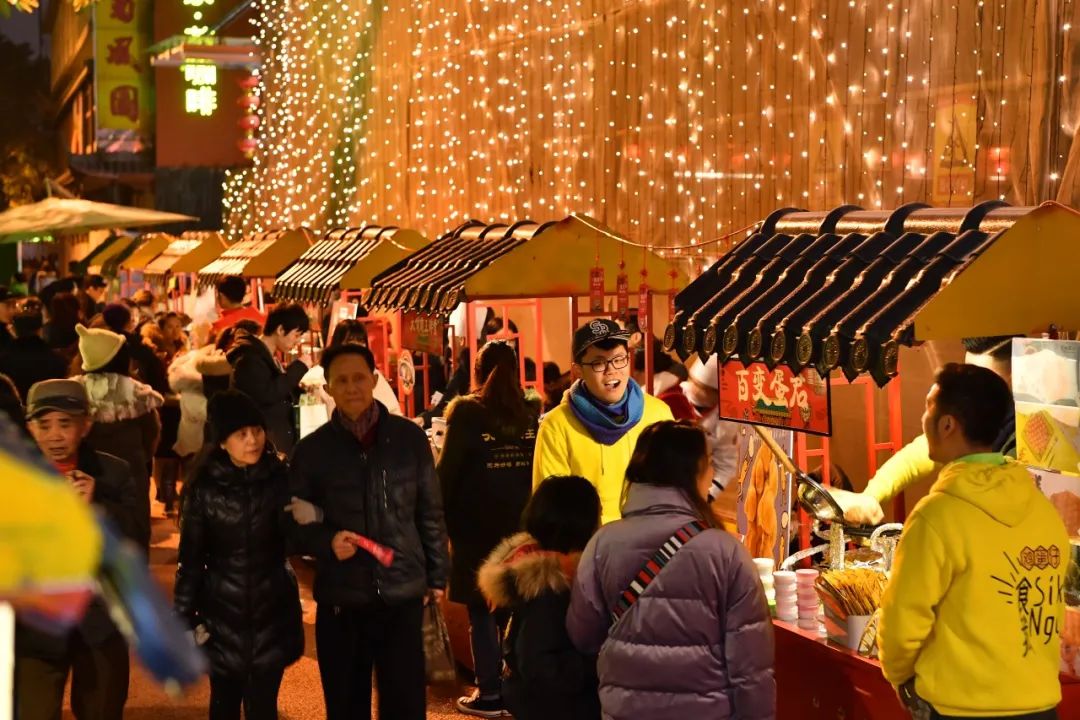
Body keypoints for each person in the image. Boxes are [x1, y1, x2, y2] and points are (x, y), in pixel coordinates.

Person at [879, 364, 1068, 720]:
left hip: (961, 708)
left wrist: (900, 677)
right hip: (1040, 705)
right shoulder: (1043, 510)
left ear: (947, 425)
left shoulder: (936, 516)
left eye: (927, 408)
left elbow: (902, 622)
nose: (922, 418)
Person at [566, 421, 775, 720]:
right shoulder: (727, 553)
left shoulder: (603, 544)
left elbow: (584, 635)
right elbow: (751, 668)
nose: (713, 474)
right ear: (692, 472)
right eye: (709, 463)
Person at [287, 343, 448, 720]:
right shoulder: (312, 451)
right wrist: (325, 541)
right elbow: (291, 521)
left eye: (359, 378)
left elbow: (430, 510)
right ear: (328, 387)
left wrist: (437, 574)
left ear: (374, 380)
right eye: (341, 380)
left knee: (405, 705)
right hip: (342, 597)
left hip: (402, 593)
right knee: (346, 707)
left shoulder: (409, 440)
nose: (351, 387)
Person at [174, 390, 304, 720]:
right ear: (221, 442)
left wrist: (305, 519)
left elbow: (294, 542)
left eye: (257, 430)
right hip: (221, 613)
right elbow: (190, 561)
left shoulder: (279, 478)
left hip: (271, 607)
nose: (253, 440)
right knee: (224, 704)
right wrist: (185, 617)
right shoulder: (204, 488)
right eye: (241, 434)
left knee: (264, 707)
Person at [15, 379, 139, 720]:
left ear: (86, 425)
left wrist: (97, 508)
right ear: (30, 428)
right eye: (44, 425)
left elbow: (136, 542)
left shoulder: (114, 473)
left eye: (65, 423)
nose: (55, 435)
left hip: (100, 623)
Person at [438, 341, 541, 717]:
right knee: (518, 609)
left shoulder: (466, 413)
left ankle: (490, 694)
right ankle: (517, 689)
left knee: (481, 610)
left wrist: (441, 523)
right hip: (522, 527)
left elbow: (445, 477)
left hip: (476, 527)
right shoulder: (531, 412)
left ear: (477, 373)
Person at [837, 335, 1019, 525]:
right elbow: (915, 457)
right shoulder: (976, 418)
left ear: (1015, 377)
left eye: (984, 384)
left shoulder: (1024, 444)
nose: (970, 393)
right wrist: (870, 497)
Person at [477, 475, 602, 720]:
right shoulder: (551, 585)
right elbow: (539, 665)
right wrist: (599, 663)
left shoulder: (527, 568)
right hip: (556, 707)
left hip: (534, 701)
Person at [532, 319, 673, 524]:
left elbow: (673, 487)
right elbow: (551, 509)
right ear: (578, 370)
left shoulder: (658, 414)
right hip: (589, 542)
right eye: (598, 363)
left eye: (619, 359)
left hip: (649, 538)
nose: (611, 370)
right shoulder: (556, 425)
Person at [71, 323, 163, 551]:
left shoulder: (74, 391)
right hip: (132, 472)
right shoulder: (137, 392)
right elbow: (152, 433)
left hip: (86, 473)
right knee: (133, 533)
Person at [228, 303, 311, 454]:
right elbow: (267, 393)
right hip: (262, 446)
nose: (297, 341)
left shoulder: (267, 356)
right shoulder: (249, 358)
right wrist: (299, 368)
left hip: (273, 442)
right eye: (296, 335)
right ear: (280, 330)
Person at [657, 354, 741, 498]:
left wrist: (708, 497)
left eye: (704, 388)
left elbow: (726, 466)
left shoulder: (726, 420)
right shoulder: (667, 395)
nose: (696, 388)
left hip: (689, 484)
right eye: (695, 383)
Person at [324, 319, 401, 414]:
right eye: (350, 341)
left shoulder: (371, 372)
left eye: (360, 341)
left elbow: (393, 410)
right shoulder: (318, 375)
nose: (357, 346)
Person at [0, 305, 69, 402]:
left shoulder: (4, 361)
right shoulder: (57, 359)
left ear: (14, 330)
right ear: (40, 330)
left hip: (17, 408)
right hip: (48, 407)